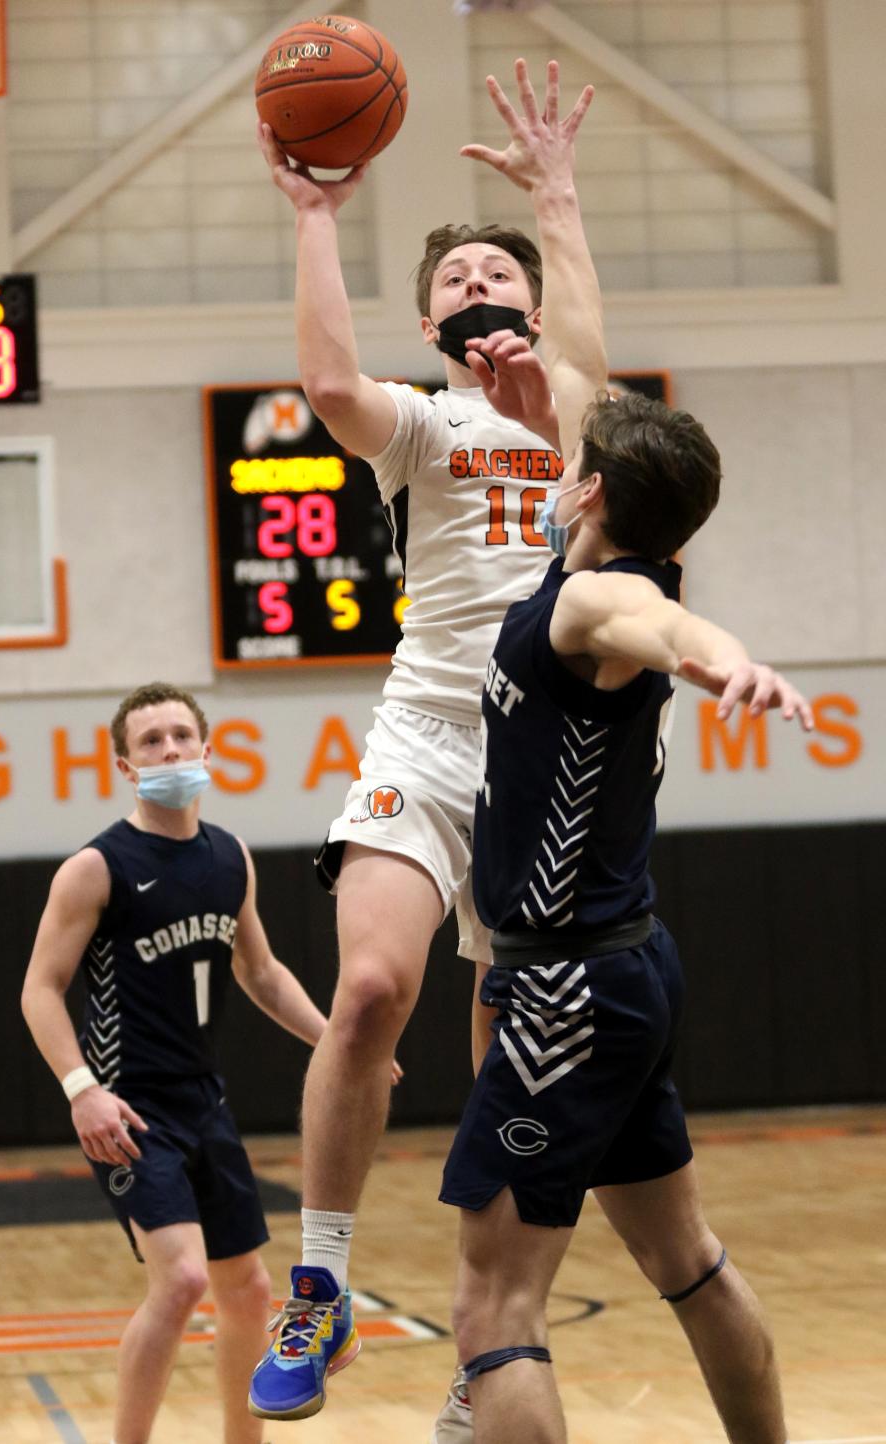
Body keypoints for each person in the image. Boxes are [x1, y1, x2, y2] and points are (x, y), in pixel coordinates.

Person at [436, 105, 815, 1444]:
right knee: (685, 1258)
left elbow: (670, 630)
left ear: (584, 492)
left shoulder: (597, 608)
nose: (560, 439)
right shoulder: (603, 549)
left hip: (562, 990)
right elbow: (587, 358)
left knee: (494, 1307)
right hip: (628, 969)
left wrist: (729, 662)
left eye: (572, 453)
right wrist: (557, 197)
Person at [248, 59, 607, 1423]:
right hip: (428, 733)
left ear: (528, 294)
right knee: (370, 994)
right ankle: (322, 1282)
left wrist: (557, 205)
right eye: (448, 278)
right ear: (432, 317)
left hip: (552, 765)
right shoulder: (425, 421)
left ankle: (482, 1342)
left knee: (506, 1060)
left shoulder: (582, 418)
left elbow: (599, 396)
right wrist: (314, 210)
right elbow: (328, 376)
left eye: (488, 271)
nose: (469, 286)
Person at [21, 681, 330, 1444]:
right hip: (128, 1106)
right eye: (150, 740)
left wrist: (337, 1041)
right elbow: (39, 990)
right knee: (184, 1278)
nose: (168, 750)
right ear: (123, 763)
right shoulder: (96, 867)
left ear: (207, 749)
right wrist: (80, 1091)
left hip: (204, 1101)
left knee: (249, 1289)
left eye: (180, 736)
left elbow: (260, 972)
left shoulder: (230, 855)